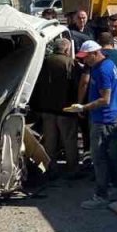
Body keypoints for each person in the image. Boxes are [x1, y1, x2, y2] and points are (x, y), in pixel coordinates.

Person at [69, 40, 117, 209]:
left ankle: (101, 194)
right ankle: (116, 187)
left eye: (86, 57)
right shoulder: (107, 64)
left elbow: (105, 99)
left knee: (99, 157)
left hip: (103, 119)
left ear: (94, 53)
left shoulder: (102, 70)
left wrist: (83, 107)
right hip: (112, 116)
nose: (84, 61)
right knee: (112, 155)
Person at [33, 38, 81, 179]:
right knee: (69, 140)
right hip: (66, 109)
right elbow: (77, 85)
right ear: (67, 50)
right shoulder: (71, 63)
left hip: (47, 109)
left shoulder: (44, 62)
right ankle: (72, 169)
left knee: (50, 141)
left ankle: (50, 169)